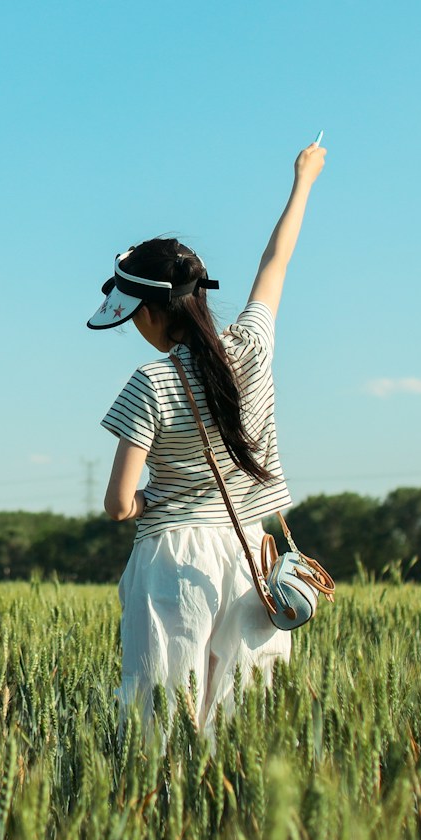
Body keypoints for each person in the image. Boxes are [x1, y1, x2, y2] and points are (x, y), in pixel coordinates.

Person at [87, 139, 327, 734]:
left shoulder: (151, 382)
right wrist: (303, 181)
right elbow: (276, 264)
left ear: (145, 312)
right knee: (238, 724)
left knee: (160, 725)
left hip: (173, 558)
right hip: (250, 553)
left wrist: (149, 500)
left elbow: (118, 506)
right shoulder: (253, 347)